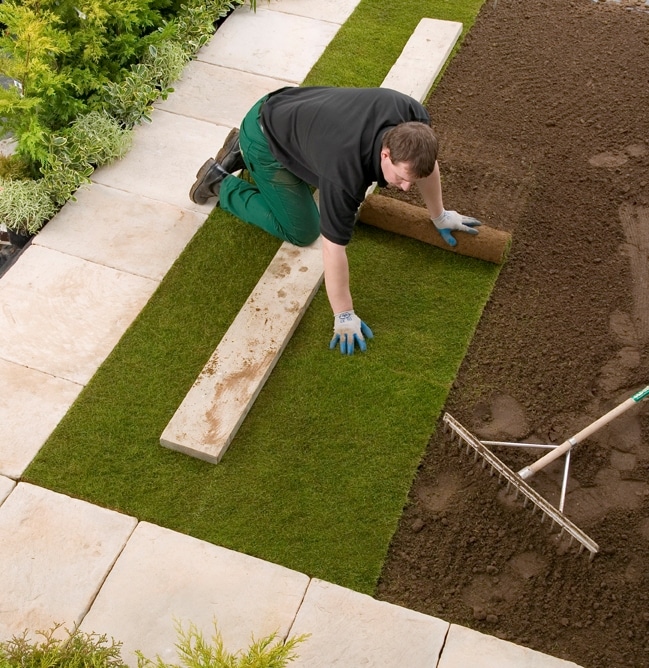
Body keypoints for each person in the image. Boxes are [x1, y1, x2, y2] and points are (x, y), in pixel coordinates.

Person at [189, 86, 481, 355]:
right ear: (385, 153)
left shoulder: (414, 121)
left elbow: (426, 168)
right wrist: (343, 313)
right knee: (303, 230)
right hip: (266, 134)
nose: (406, 188)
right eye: (402, 178)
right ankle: (220, 181)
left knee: (314, 179)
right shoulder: (345, 173)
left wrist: (439, 215)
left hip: (293, 112)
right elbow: (333, 248)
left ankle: (241, 151)